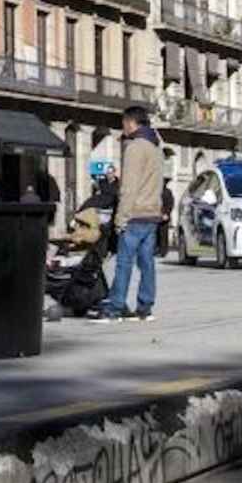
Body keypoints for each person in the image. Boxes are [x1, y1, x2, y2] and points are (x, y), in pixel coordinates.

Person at [91, 107, 165, 323]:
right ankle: (145, 308)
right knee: (147, 264)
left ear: (131, 122)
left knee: (124, 263)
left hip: (134, 215)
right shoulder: (156, 148)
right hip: (152, 213)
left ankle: (114, 308)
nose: (123, 127)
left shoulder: (134, 148)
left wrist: (120, 218)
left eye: (123, 123)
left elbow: (129, 187)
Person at [155, 180, 175, 259]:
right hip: (156, 215)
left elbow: (170, 204)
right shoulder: (155, 192)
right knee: (156, 234)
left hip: (164, 216)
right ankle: (157, 249)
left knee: (163, 234)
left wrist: (167, 213)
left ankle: (163, 251)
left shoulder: (167, 192)